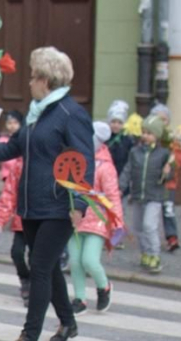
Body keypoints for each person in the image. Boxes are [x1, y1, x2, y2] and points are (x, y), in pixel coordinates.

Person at [0, 47, 94, 341]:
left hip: (57, 206)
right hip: (32, 205)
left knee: (38, 268)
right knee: (47, 267)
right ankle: (67, 322)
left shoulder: (70, 114)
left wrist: (78, 203)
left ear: (48, 80)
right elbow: (10, 149)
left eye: (34, 76)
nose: (30, 82)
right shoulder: (38, 115)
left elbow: (83, 162)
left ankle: (29, 337)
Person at [68, 122, 124, 315]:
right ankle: (80, 298)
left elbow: (113, 195)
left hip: (98, 217)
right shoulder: (75, 161)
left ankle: (104, 286)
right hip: (76, 216)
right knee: (74, 261)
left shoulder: (106, 167)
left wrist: (117, 222)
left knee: (89, 260)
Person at [119, 114, 170, 275]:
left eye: (149, 133)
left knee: (150, 226)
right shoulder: (135, 152)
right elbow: (128, 170)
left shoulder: (163, 154)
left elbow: (168, 177)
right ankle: (145, 254)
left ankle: (155, 255)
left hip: (154, 196)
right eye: (144, 132)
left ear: (157, 135)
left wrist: (167, 172)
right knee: (138, 227)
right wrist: (120, 186)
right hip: (137, 195)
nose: (145, 136)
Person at [0, 111, 28, 306]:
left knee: (37, 257)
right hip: (21, 219)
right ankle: (25, 280)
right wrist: (0, 219)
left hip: (41, 219)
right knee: (17, 252)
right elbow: (9, 194)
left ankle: (36, 289)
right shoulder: (18, 166)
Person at [150, 103, 181, 253]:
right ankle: (149, 237)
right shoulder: (150, 138)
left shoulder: (173, 140)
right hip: (151, 183)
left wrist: (175, 155)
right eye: (157, 119)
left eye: (164, 119)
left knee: (168, 210)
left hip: (168, 184)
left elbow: (178, 161)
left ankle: (172, 237)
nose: (161, 123)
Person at [106, 100, 135, 183]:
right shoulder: (105, 138)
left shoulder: (127, 140)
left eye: (119, 123)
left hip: (121, 176)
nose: (116, 125)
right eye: (113, 122)